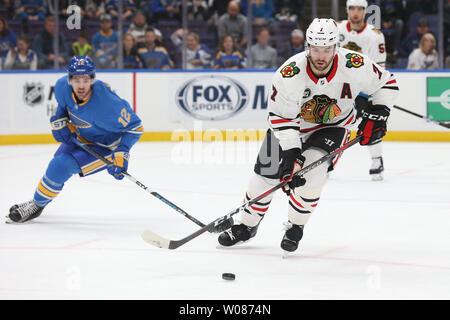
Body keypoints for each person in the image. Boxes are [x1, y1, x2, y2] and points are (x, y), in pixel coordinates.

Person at [217, 18, 398, 253]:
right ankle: (247, 225)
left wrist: (380, 112)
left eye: (326, 50)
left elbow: (388, 83)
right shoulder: (289, 73)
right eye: (315, 49)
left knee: (312, 173)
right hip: (290, 127)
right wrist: (291, 154)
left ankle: (296, 226)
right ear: (307, 47)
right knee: (264, 176)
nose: (321, 56)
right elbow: (281, 118)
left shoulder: (354, 64)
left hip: (333, 127)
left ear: (336, 46)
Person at [7, 56, 144, 223]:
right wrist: (60, 122)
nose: (80, 85)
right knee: (56, 166)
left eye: (86, 80)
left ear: (92, 79)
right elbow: (63, 109)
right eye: (76, 79)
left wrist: (122, 151)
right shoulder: (61, 87)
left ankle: (37, 204)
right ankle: (37, 203)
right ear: (69, 79)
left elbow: (136, 127)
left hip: (108, 147)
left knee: (61, 165)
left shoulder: (107, 103)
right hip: (84, 137)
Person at [338, 0, 387, 180]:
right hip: (338, 87)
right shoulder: (337, 29)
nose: (356, 12)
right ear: (348, 10)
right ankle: (329, 160)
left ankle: (377, 159)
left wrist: (371, 93)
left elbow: (379, 68)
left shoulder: (374, 35)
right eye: (352, 9)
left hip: (364, 88)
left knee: (371, 121)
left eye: (359, 9)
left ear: (365, 11)